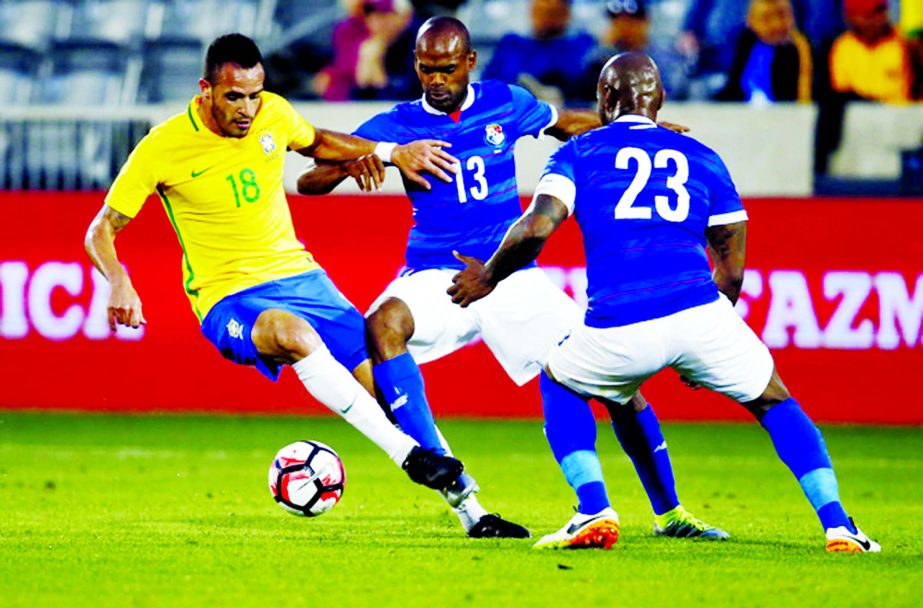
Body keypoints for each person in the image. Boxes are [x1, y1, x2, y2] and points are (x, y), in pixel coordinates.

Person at [297, 17, 727, 542]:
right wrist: (368, 159)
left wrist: (636, 128)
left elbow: (564, 123)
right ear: (415, 65)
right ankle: (451, 484)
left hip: (508, 274)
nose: (436, 79)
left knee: (614, 380)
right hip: (438, 274)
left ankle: (671, 512)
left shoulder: (505, 101)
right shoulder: (397, 123)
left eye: (447, 69)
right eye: (427, 69)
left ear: (470, 62)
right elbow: (310, 179)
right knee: (383, 324)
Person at [449, 51, 881, 553]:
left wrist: (490, 275)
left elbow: (537, 227)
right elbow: (732, 266)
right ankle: (838, 524)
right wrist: (697, 343)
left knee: (559, 380)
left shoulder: (580, 151)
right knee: (774, 399)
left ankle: (592, 508)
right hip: (700, 311)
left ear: (605, 98)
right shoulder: (702, 156)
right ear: (661, 101)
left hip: (618, 322)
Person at [83, 33, 469, 506]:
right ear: (205, 89)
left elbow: (321, 144)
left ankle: (474, 510)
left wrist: (389, 153)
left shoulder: (275, 113)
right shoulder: (163, 146)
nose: (247, 108)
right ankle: (407, 458)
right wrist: (119, 281)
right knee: (291, 333)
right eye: (233, 96)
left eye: (254, 94)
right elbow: (101, 229)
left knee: (389, 391)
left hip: (303, 279)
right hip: (229, 295)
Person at [481, 0, 597, 106]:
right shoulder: (511, 45)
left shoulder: (581, 47)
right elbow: (488, 82)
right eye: (539, 11)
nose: (544, 18)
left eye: (552, 12)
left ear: (566, 13)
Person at [716, 0, 813, 103]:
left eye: (782, 15)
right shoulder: (742, 42)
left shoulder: (799, 48)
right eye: (766, 18)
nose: (776, 25)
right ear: (750, 21)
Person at [829, 0, 914, 103]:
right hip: (858, 115)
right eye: (868, 15)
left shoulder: (906, 44)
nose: (878, 19)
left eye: (881, 10)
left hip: (903, 116)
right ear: (851, 18)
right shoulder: (842, 48)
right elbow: (842, 92)